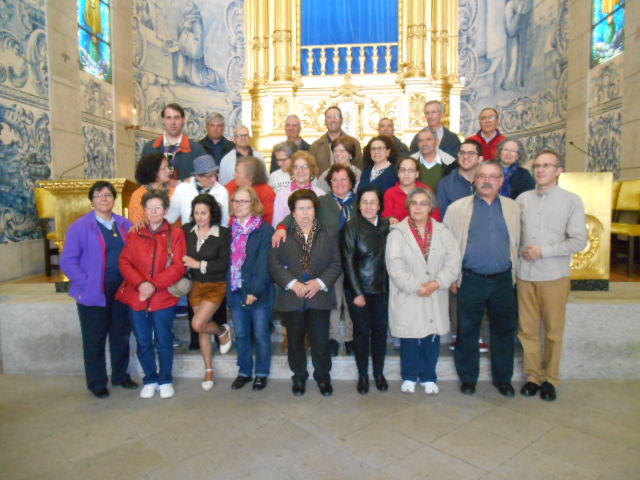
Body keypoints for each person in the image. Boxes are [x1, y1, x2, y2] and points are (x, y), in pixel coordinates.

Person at [444, 161, 521, 397]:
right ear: (475, 180)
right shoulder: (457, 209)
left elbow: (519, 241)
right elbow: (447, 246)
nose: (487, 181)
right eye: (482, 176)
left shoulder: (514, 208)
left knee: (503, 331)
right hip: (470, 279)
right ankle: (468, 378)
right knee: (467, 330)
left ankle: (503, 379)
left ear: (501, 181)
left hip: (503, 280)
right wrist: (452, 276)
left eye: (493, 176)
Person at [517, 150, 587, 401]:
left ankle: (550, 379)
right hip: (525, 275)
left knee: (553, 331)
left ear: (559, 170)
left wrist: (543, 252)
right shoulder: (523, 199)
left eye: (546, 166)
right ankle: (533, 376)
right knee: (528, 330)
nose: (540, 170)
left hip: (554, 274)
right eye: (537, 166)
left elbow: (578, 241)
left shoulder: (571, 200)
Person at [61, 181, 138, 398]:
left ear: (114, 199)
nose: (104, 199)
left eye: (108, 195)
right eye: (98, 195)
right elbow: (68, 261)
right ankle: (97, 383)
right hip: (93, 291)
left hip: (122, 289)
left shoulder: (125, 224)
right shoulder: (80, 227)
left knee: (120, 334)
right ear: (92, 201)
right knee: (94, 338)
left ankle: (120, 376)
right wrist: (86, 282)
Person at [273, 164, 358, 356]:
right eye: (335, 180)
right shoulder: (323, 201)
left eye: (343, 179)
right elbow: (297, 215)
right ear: (330, 183)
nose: (339, 183)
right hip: (332, 259)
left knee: (351, 301)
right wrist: (282, 227)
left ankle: (350, 338)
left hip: (355, 260)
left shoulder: (359, 201)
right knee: (335, 299)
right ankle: (333, 338)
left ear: (351, 182)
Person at [386, 187, 461, 394]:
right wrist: (417, 287)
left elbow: (453, 261)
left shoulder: (443, 231)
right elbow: (395, 266)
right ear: (408, 207)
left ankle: (429, 376)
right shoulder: (397, 233)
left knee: (431, 336)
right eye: (414, 203)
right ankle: (410, 376)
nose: (418, 208)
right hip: (409, 293)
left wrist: (436, 283)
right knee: (409, 337)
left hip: (435, 292)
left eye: (423, 203)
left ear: (430, 207)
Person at [269, 189, 342, 396]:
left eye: (309, 208)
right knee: (294, 341)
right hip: (293, 297)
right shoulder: (282, 234)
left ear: (315, 210)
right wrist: (293, 284)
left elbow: (336, 263)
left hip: (319, 296)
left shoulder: (328, 233)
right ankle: (299, 376)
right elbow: (274, 263)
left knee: (321, 341)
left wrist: (319, 282)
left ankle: (323, 376)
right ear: (292, 212)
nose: (305, 213)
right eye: (300, 209)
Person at [117, 189, 187, 400]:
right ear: (144, 210)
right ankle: (150, 378)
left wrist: (153, 285)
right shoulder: (136, 233)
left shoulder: (176, 233)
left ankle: (165, 379)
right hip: (137, 296)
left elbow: (179, 266)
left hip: (163, 296)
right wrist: (141, 284)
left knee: (164, 340)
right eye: (150, 208)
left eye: (158, 207)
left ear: (165, 210)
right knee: (143, 340)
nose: (154, 211)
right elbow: (125, 262)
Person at [341, 187, 391, 394]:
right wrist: (357, 293)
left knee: (380, 332)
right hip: (359, 290)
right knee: (361, 333)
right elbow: (347, 262)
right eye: (364, 202)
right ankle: (363, 375)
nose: (368, 206)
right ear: (359, 205)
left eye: (373, 202)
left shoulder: (387, 225)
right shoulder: (351, 227)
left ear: (379, 206)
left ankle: (378, 373)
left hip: (383, 289)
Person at [182, 194, 233, 391]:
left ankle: (221, 331)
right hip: (195, 286)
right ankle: (209, 370)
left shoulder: (223, 233)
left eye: (203, 213)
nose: (199, 217)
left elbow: (223, 264)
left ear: (212, 213)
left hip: (215, 285)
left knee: (197, 323)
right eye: (196, 213)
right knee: (202, 327)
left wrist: (198, 264)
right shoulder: (187, 230)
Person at [228, 187, 275, 391]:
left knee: (261, 333)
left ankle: (261, 372)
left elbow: (264, 264)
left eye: (244, 201)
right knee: (241, 334)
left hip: (259, 292)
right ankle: (244, 371)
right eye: (236, 201)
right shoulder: (230, 230)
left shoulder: (265, 230)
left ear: (254, 204)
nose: (239, 205)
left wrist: (255, 291)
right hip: (236, 290)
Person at [141, 103, 206, 182]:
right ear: (163, 121)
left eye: (177, 118)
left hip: (185, 190)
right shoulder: (149, 148)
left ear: (183, 120)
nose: (173, 122)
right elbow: (143, 178)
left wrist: (181, 183)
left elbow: (206, 177)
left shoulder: (196, 149)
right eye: (168, 118)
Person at [167, 154, 230, 227]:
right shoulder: (182, 189)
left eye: (215, 174)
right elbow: (170, 217)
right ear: (198, 176)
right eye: (209, 176)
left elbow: (225, 221)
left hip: (214, 232)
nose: (214, 179)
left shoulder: (222, 191)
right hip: (188, 232)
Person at [272, 150, 325, 227]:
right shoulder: (281, 195)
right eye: (296, 167)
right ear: (292, 170)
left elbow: (324, 223)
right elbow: (276, 224)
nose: (300, 170)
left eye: (305, 166)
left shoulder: (321, 194)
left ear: (311, 170)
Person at [383, 157, 441, 224]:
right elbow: (387, 218)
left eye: (410, 170)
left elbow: (436, 218)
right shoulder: (390, 193)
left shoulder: (427, 191)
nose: (406, 173)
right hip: (398, 229)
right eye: (403, 170)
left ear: (417, 174)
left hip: (424, 229)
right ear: (398, 173)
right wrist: (390, 219)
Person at [437, 139, 483, 216]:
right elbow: (442, 216)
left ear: (480, 159)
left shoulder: (487, 182)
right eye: (462, 153)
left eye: (471, 153)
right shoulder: (446, 184)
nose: (465, 156)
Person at [310, 106, 363, 172]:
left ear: (341, 120)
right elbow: (312, 171)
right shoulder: (315, 146)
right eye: (329, 117)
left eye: (336, 117)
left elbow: (359, 168)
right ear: (325, 121)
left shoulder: (354, 143)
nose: (332, 120)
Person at [226, 157, 276, 225]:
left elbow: (268, 220)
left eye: (238, 172)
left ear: (250, 176)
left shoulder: (267, 192)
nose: (235, 175)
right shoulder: (232, 185)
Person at [128, 152, 174, 225]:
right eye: (164, 168)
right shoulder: (139, 195)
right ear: (153, 172)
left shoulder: (174, 192)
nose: (168, 171)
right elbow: (136, 224)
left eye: (168, 167)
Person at [410, 127, 457, 191]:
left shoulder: (450, 163)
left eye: (428, 140)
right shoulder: (410, 162)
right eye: (420, 141)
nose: (424, 144)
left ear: (437, 142)